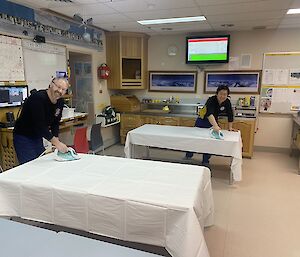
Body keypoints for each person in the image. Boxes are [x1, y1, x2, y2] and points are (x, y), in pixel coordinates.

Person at [13, 77, 69, 164]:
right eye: (58, 87)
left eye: (63, 89)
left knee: (40, 162)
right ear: (51, 85)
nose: (60, 91)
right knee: (30, 165)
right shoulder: (38, 98)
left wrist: (56, 140)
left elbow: (55, 123)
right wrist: (57, 143)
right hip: (24, 136)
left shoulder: (60, 102)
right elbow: (40, 126)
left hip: (37, 136)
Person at [185, 85, 236, 166]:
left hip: (213, 121)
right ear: (217, 94)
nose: (222, 96)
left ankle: (205, 160)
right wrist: (215, 126)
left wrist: (230, 127)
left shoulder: (227, 102)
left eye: (225, 94)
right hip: (202, 120)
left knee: (210, 141)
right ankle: (188, 155)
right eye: (221, 94)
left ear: (227, 95)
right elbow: (209, 114)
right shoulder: (211, 100)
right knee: (196, 139)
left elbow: (230, 114)